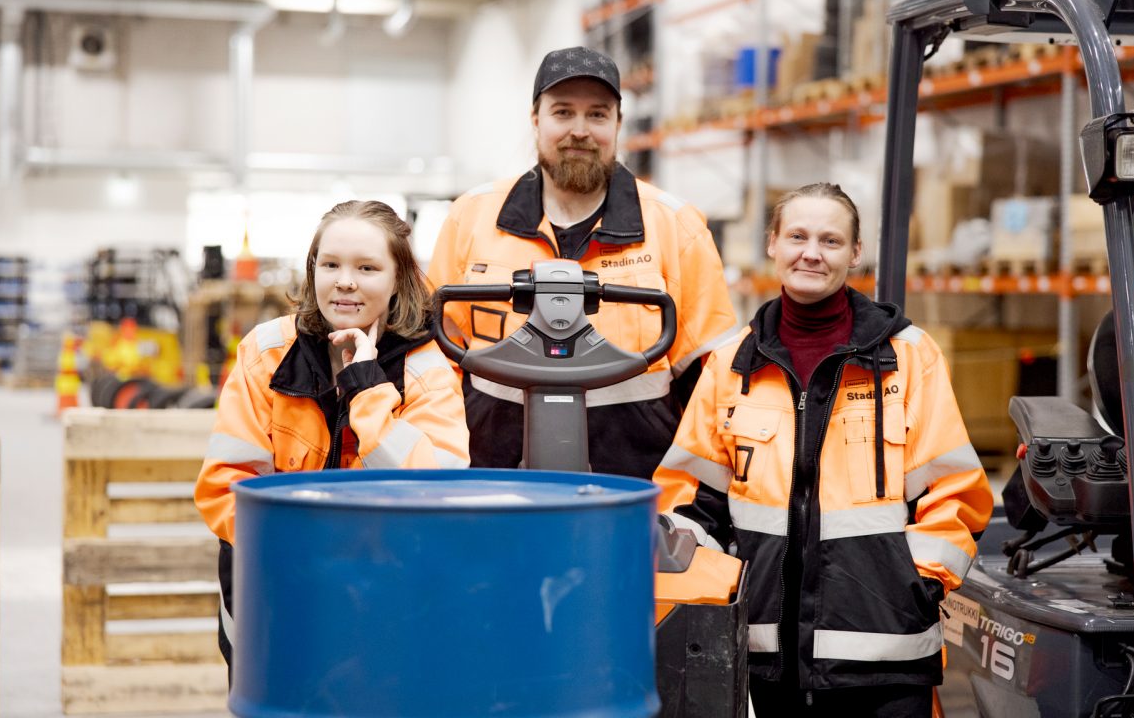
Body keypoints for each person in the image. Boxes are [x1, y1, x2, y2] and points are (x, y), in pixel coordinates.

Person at [652, 183, 993, 717]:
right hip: (764, 659)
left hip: (887, 656)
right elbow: (689, 503)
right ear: (773, 243)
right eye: (798, 236)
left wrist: (915, 587)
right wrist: (715, 605)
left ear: (855, 254)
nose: (812, 252)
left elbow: (955, 493)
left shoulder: (908, 357)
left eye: (831, 240)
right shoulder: (731, 366)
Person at [427, 45, 737, 480]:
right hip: (490, 481)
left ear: (618, 124)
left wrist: (682, 504)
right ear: (536, 120)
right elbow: (432, 364)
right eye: (563, 112)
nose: (580, 130)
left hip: (632, 487)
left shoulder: (675, 227)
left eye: (597, 114)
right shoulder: (472, 217)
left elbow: (712, 382)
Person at [194, 199, 469, 676]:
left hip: (388, 595)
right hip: (274, 587)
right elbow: (225, 487)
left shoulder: (428, 370)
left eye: (367, 267)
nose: (345, 280)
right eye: (331, 264)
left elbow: (435, 497)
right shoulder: (265, 353)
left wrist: (367, 387)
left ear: (398, 280)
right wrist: (310, 558)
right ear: (312, 270)